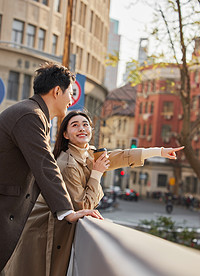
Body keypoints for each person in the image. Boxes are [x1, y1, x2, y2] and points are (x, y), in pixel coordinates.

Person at [4, 110, 184, 276]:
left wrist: (160, 151)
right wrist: (97, 174)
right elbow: (83, 205)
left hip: (55, 230)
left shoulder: (89, 154)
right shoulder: (67, 164)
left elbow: (122, 156)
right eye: (75, 125)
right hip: (41, 232)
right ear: (65, 135)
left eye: (85, 124)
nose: (82, 128)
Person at [0, 63, 102, 273]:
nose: (72, 100)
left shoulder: (33, 114)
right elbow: (45, 165)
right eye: (70, 93)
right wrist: (67, 211)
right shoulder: (30, 115)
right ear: (57, 91)